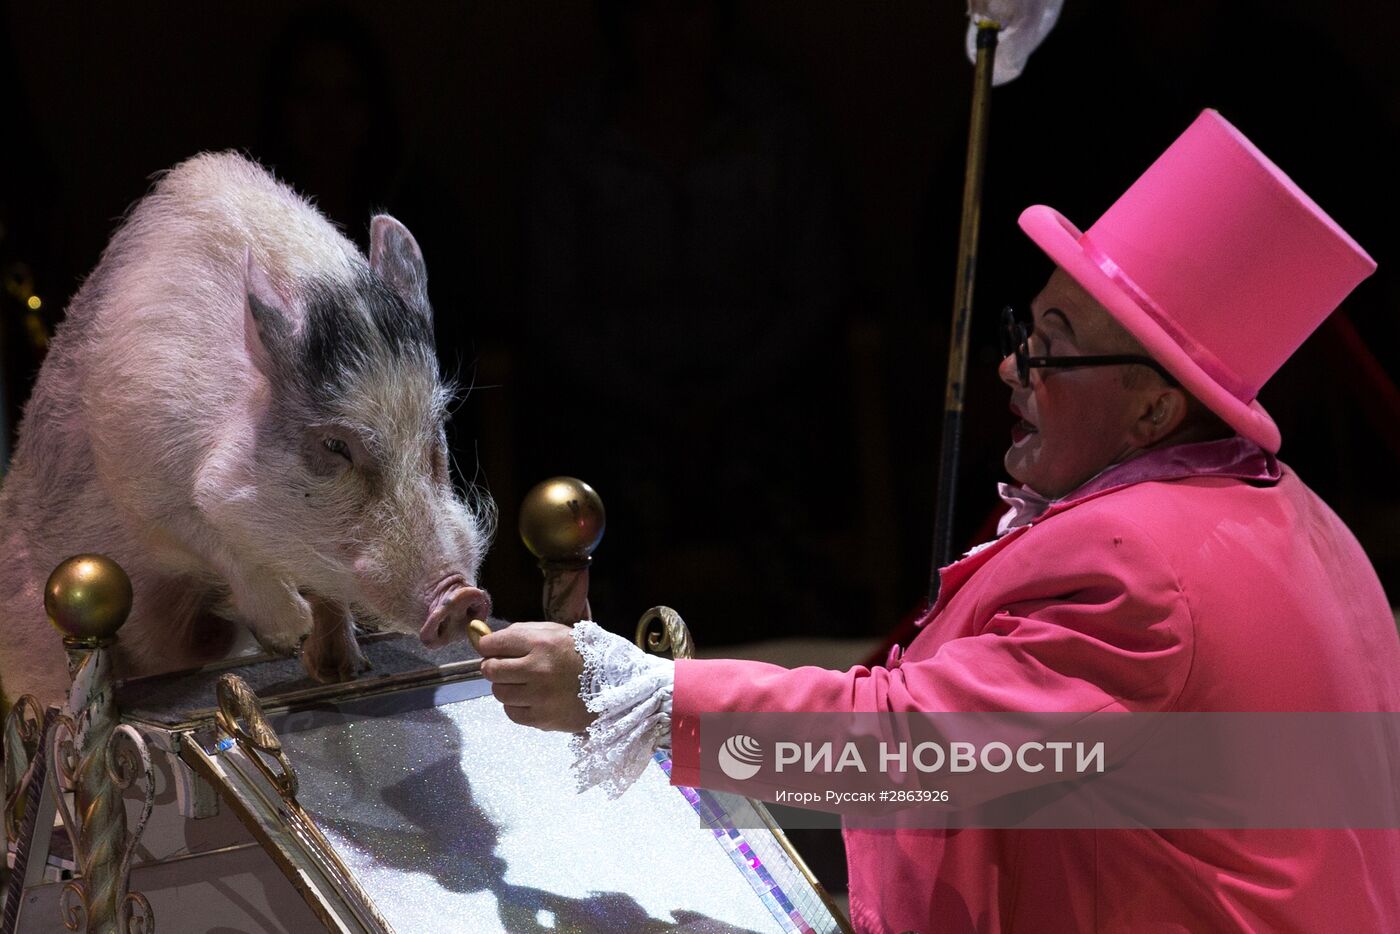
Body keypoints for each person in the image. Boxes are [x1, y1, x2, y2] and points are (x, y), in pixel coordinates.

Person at [479, 109, 1400, 932]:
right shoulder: (1305, 517)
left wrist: (640, 698)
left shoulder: (1141, 567)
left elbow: (913, 747)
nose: (1013, 369)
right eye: (1023, 332)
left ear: (1157, 410)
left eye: (1052, 349)